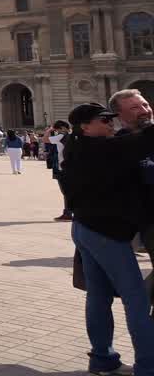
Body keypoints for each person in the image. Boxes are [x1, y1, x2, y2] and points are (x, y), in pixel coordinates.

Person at [64, 102, 154, 375]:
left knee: (99, 296)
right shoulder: (100, 149)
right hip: (106, 232)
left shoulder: (77, 146)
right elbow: (143, 140)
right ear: (85, 126)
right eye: (103, 119)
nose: (110, 122)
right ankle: (147, 365)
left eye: (111, 118)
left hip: (85, 228)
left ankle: (102, 358)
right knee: (136, 298)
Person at [47, 119, 72, 222]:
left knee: (66, 191)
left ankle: (68, 213)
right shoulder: (71, 135)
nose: (56, 131)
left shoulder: (61, 136)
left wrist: (49, 130)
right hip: (70, 166)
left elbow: (45, 139)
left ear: (62, 128)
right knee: (69, 191)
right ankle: (70, 212)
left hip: (62, 167)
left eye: (57, 129)